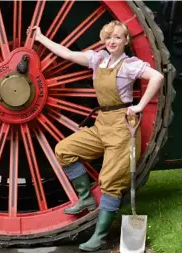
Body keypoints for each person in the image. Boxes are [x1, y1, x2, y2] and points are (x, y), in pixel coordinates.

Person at [29, 20, 164, 252]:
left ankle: (99, 236)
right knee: (65, 149)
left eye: (118, 37)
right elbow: (69, 54)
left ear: (125, 41)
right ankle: (86, 198)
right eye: (109, 36)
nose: (112, 41)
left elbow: (158, 77)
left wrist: (140, 105)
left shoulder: (130, 65)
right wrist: (41, 39)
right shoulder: (98, 59)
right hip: (102, 122)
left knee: (110, 182)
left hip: (122, 127)